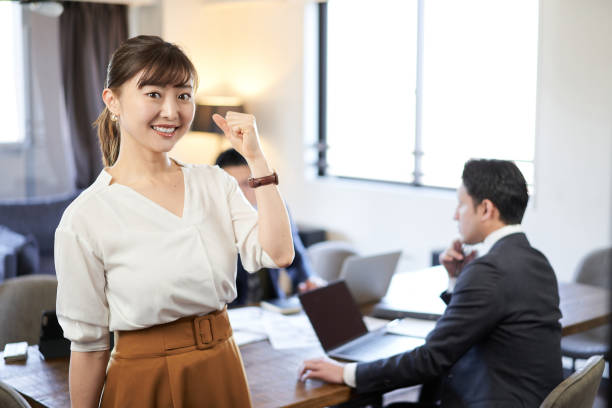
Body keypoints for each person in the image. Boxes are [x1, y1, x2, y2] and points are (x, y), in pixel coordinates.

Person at [54, 35, 294, 408]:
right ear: (112, 100)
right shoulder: (87, 217)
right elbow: (88, 344)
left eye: (183, 95)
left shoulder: (214, 183)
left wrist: (257, 160)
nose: (171, 111)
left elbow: (279, 253)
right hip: (145, 379)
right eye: (153, 94)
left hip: (222, 367)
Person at [300, 159, 563, 407]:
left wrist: (347, 372)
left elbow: (431, 359)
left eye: (460, 205)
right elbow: (471, 326)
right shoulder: (537, 261)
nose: (455, 216)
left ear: (485, 209)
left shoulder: (489, 270)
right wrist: (456, 279)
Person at [215, 148, 321, 306]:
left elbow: (297, 257)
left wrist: (309, 279)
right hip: (231, 312)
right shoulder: (211, 220)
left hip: (272, 306)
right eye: (231, 185)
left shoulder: (276, 211)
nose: (239, 193)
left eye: (246, 184)